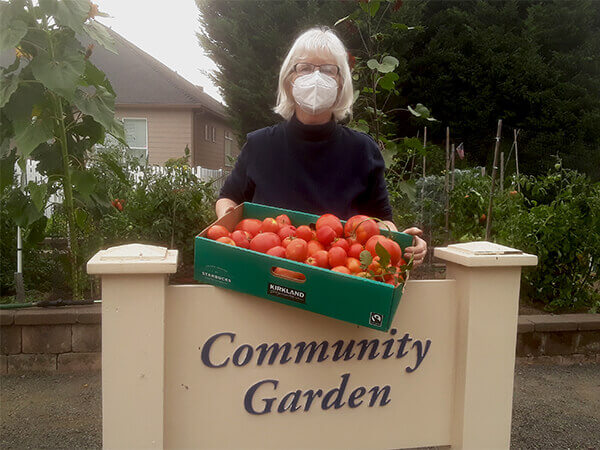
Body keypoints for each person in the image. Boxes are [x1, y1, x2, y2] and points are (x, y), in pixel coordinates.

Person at [216, 27, 427, 266]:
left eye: (328, 70)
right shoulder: (259, 145)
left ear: (341, 82)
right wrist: (227, 227)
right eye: (305, 68)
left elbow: (381, 220)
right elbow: (228, 198)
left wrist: (400, 242)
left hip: (337, 285)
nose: (316, 77)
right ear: (289, 80)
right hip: (264, 279)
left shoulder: (362, 150)